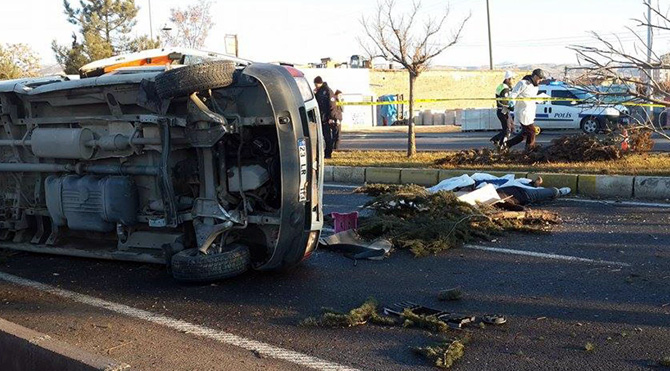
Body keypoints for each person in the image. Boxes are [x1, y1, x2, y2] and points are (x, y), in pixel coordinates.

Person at [506, 68, 547, 151]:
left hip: (530, 111)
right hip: (523, 111)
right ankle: (529, 150)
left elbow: (531, 97)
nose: (540, 81)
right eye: (539, 79)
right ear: (535, 76)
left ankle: (507, 145)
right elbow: (513, 94)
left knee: (524, 134)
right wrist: (511, 102)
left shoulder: (535, 87)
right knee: (532, 131)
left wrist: (540, 99)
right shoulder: (523, 83)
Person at [313, 76, 338, 158]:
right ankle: (322, 153)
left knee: (327, 137)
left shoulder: (327, 91)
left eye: (316, 84)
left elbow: (332, 105)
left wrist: (331, 117)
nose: (315, 86)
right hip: (320, 117)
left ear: (318, 83)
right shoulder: (320, 91)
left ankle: (328, 153)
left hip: (326, 118)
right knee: (321, 136)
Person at [490, 71, 516, 148]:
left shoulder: (504, 87)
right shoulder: (504, 89)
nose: (513, 80)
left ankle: (497, 140)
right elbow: (503, 101)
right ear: (508, 79)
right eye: (512, 79)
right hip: (503, 111)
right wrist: (511, 107)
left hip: (504, 111)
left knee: (511, 128)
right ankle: (501, 145)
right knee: (507, 130)